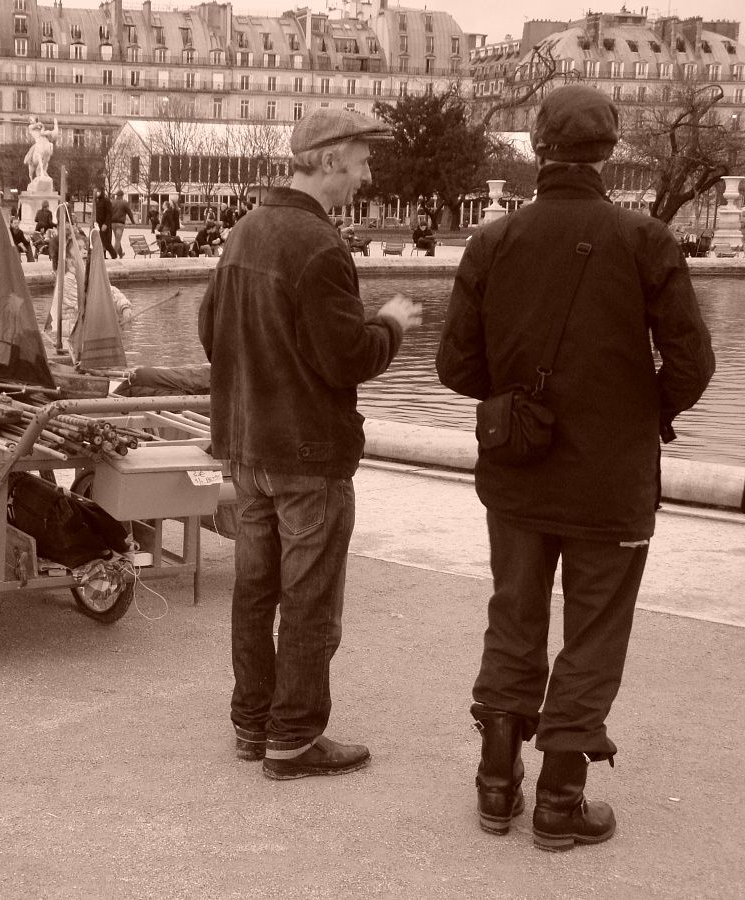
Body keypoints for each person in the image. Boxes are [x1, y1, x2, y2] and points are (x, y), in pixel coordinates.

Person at [436, 85, 715, 851]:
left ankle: (497, 784)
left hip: (518, 469)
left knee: (514, 615)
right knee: (594, 632)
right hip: (610, 480)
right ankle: (561, 798)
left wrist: (518, 393)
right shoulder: (645, 239)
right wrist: (643, 413)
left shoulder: (492, 242)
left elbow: (456, 366)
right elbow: (695, 362)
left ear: (534, 147)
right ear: (612, 148)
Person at [198, 107, 421, 781]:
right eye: (361, 161)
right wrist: (388, 325)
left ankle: (251, 722)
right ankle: (293, 738)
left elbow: (212, 335)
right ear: (327, 161)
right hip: (307, 456)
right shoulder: (319, 246)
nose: (367, 173)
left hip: (248, 447)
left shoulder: (245, 232)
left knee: (254, 591)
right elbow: (345, 359)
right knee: (308, 600)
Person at [109, 189, 134, 258]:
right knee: (118, 240)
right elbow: (129, 212)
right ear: (122, 195)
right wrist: (133, 221)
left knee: (117, 239)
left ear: (117, 195)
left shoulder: (112, 202)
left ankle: (120, 254)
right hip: (120, 223)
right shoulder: (124, 202)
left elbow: (109, 212)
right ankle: (113, 254)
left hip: (113, 223)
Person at [93, 188, 116, 259]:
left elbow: (110, 213)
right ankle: (103, 256)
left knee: (106, 243)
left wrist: (106, 223)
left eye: (98, 192)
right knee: (100, 242)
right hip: (98, 225)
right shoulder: (96, 202)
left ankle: (114, 255)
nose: (96, 193)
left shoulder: (106, 201)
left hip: (104, 225)